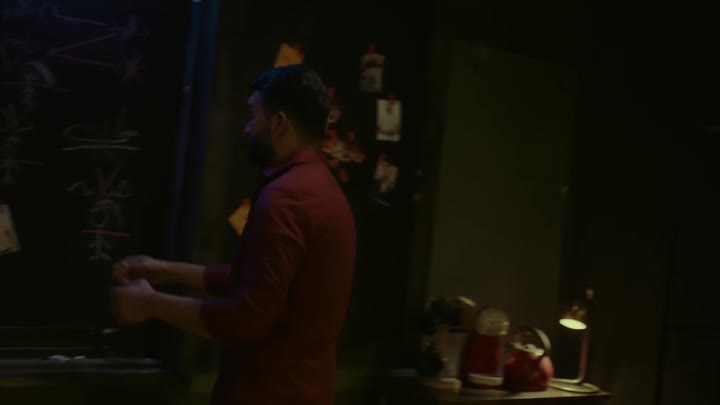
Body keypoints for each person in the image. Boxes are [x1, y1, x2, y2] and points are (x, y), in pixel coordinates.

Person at [110, 65, 357, 405]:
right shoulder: (320, 188)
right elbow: (260, 282)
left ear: (279, 124)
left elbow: (247, 320)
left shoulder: (286, 200)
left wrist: (150, 304)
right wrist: (163, 270)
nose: (246, 128)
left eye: (253, 115)